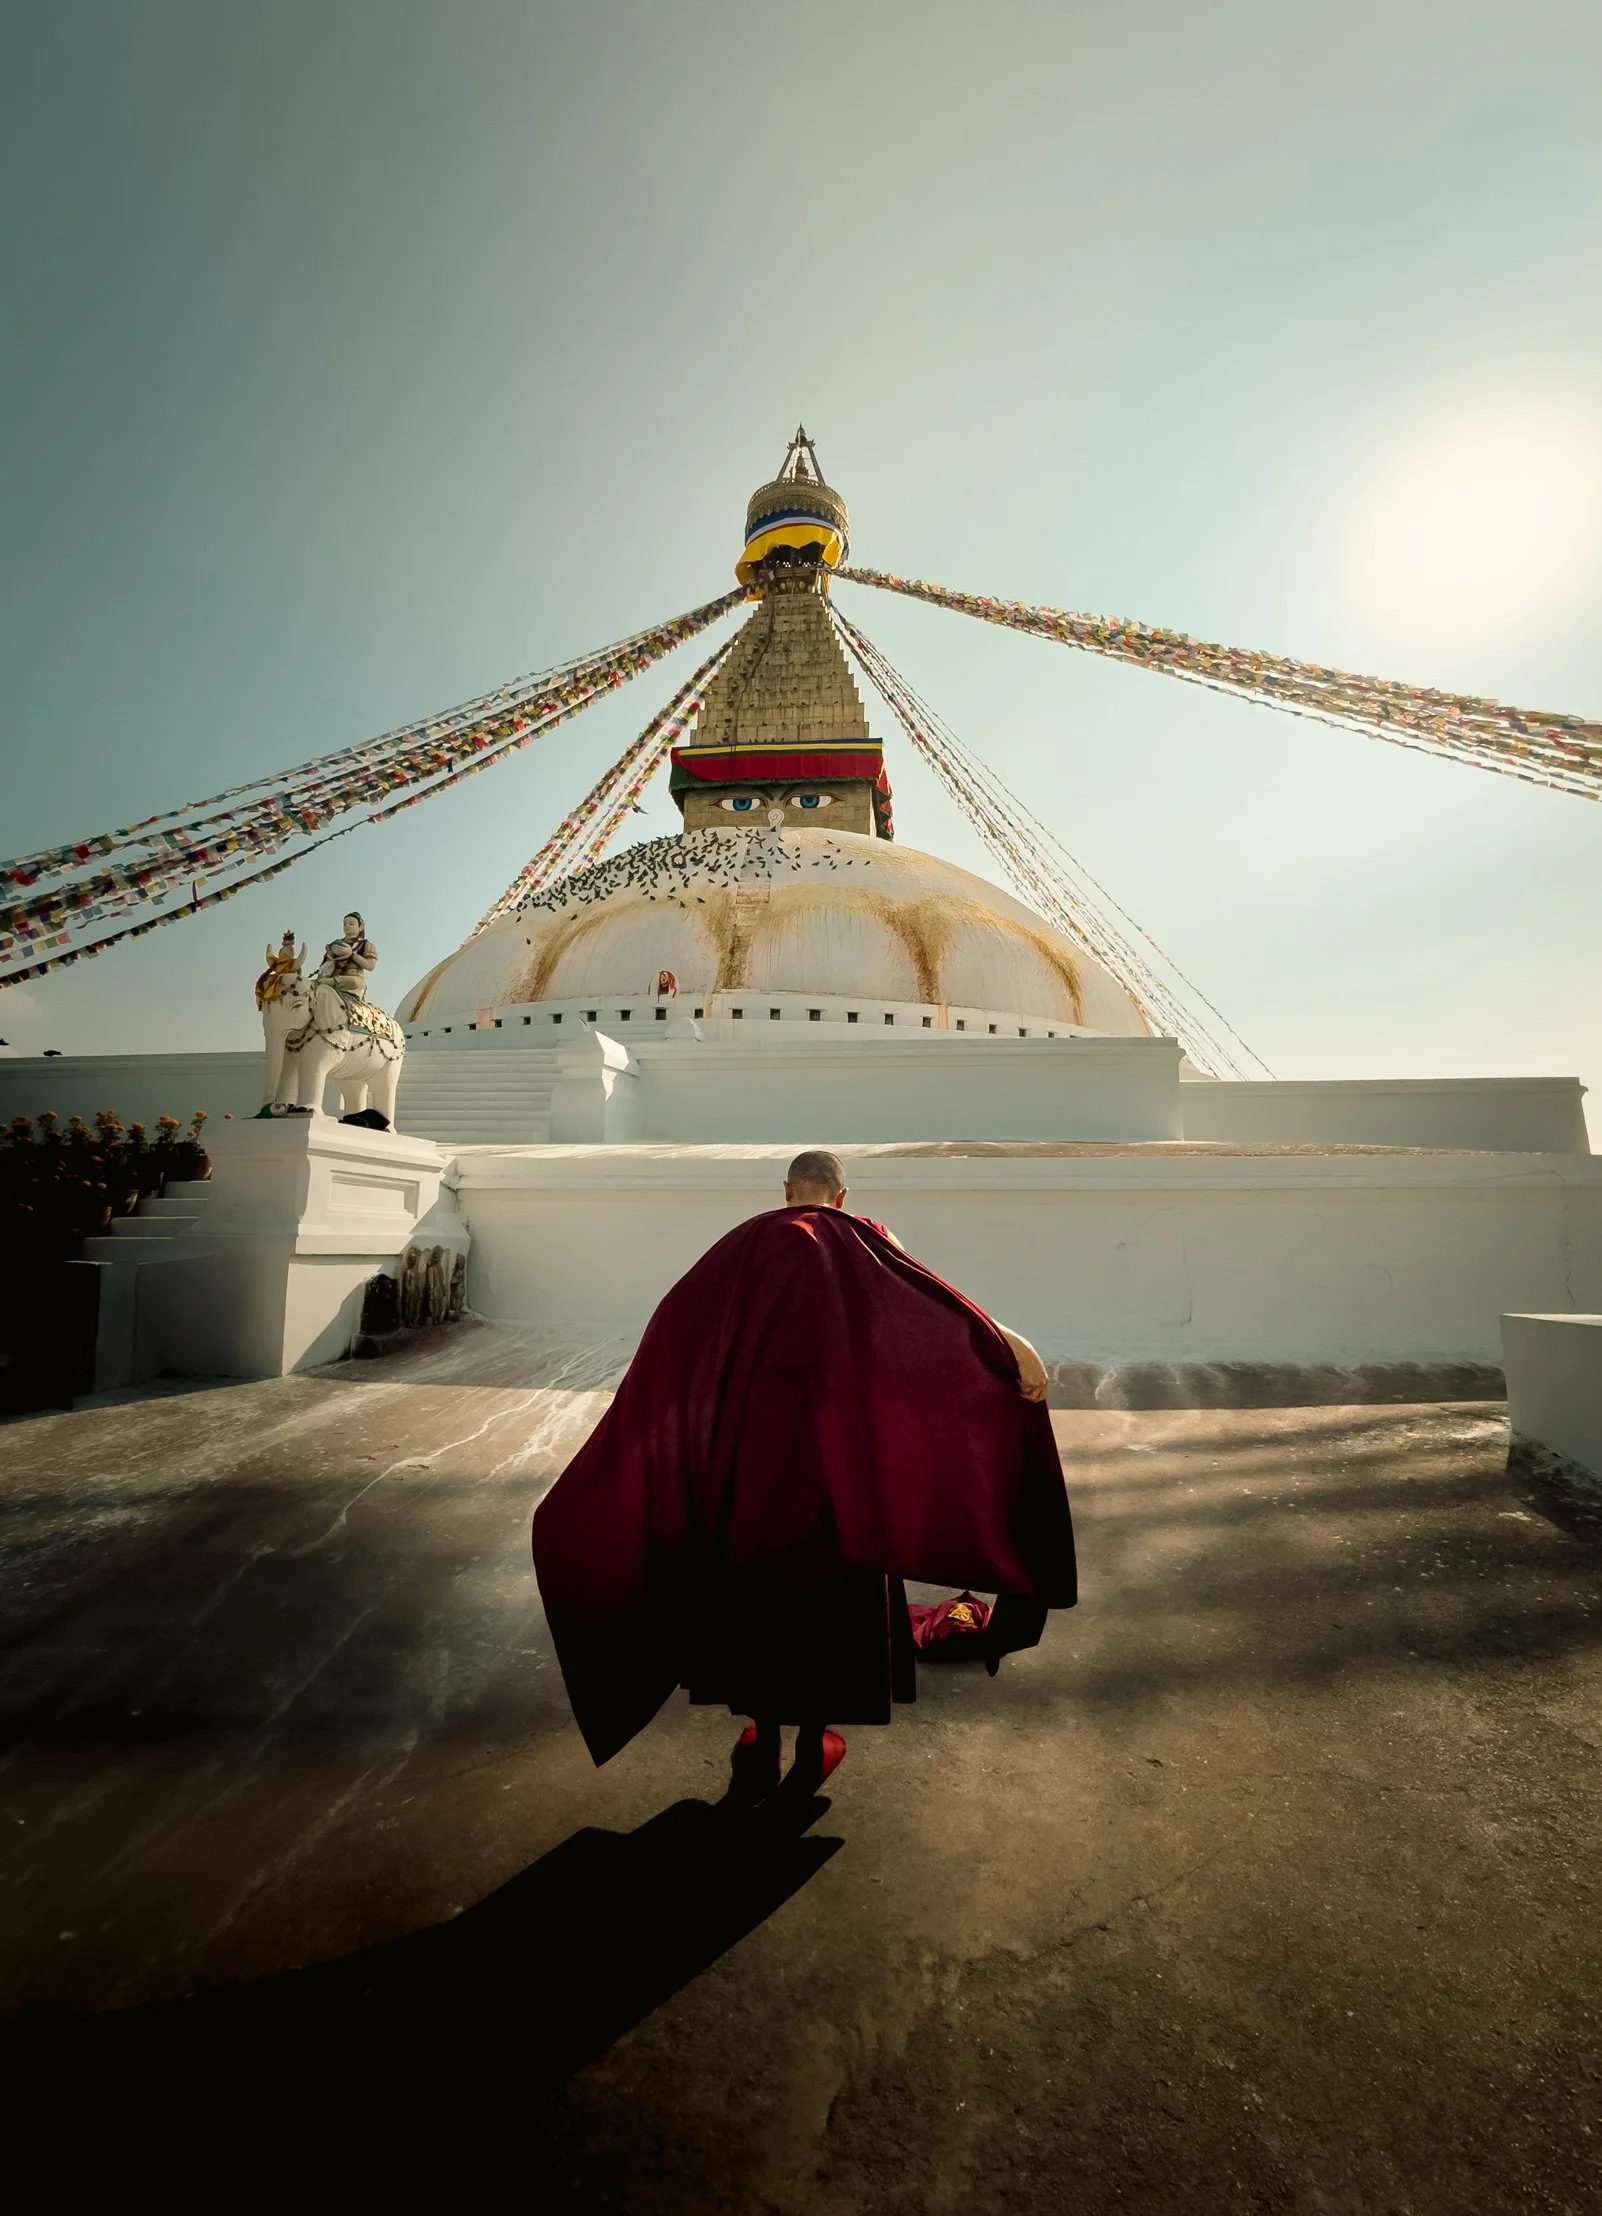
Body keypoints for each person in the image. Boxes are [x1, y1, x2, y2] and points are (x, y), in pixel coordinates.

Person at [531, 1149, 1076, 1800]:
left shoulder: (743, 1245)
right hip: (839, 1458)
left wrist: (678, 1442)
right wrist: (1008, 1347)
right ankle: (816, 1741)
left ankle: (761, 1734)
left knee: (757, 1590)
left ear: (789, 1191)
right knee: (831, 1595)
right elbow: (929, 1315)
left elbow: (679, 1337)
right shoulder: (865, 1239)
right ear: (841, 1196)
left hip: (755, 1458)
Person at [317, 912, 377, 1017]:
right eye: (345, 924)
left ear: (361, 926)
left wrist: (351, 955)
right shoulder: (336, 944)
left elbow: (370, 966)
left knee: (354, 981)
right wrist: (331, 956)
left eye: (351, 924)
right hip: (333, 976)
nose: (347, 927)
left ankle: (329, 982)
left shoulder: (366, 945)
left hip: (353, 979)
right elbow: (324, 968)